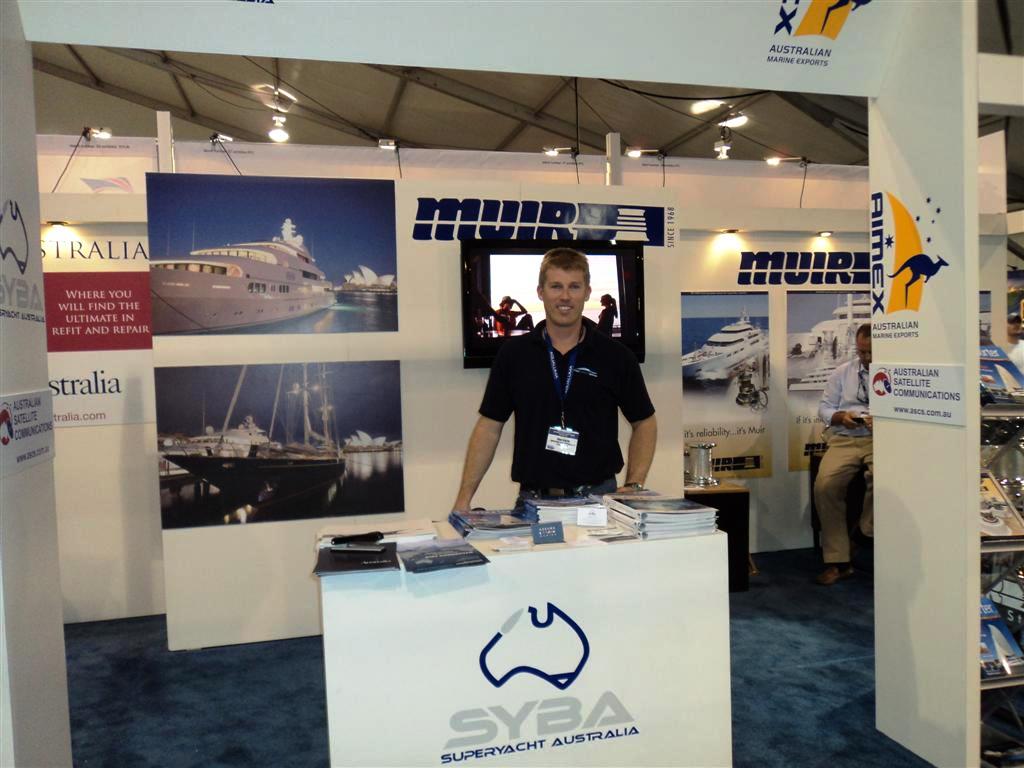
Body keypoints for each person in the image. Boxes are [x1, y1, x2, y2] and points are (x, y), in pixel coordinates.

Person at [452, 247, 657, 511]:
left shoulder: (616, 356)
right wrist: (463, 499)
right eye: (556, 286)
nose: (565, 296)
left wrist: (635, 485)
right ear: (541, 292)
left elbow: (645, 422)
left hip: (598, 503)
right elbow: (489, 426)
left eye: (574, 286)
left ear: (587, 292)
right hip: (534, 503)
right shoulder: (514, 354)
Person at [813, 323, 873, 586]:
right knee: (825, 486)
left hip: (882, 441)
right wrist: (840, 417)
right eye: (861, 352)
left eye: (871, 352)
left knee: (884, 481)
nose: (866, 357)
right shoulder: (842, 372)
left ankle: (862, 534)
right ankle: (838, 561)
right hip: (845, 439)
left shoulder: (897, 375)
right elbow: (824, 408)